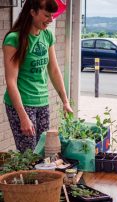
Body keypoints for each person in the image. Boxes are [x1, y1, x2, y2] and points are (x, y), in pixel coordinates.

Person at [3, 0, 73, 152]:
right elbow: (11, 81)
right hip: (22, 103)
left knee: (43, 151)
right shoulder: (14, 39)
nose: (50, 20)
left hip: (42, 102)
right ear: (32, 12)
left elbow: (54, 70)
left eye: (52, 16)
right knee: (29, 155)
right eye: (46, 15)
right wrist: (23, 117)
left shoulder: (47, 35)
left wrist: (65, 102)